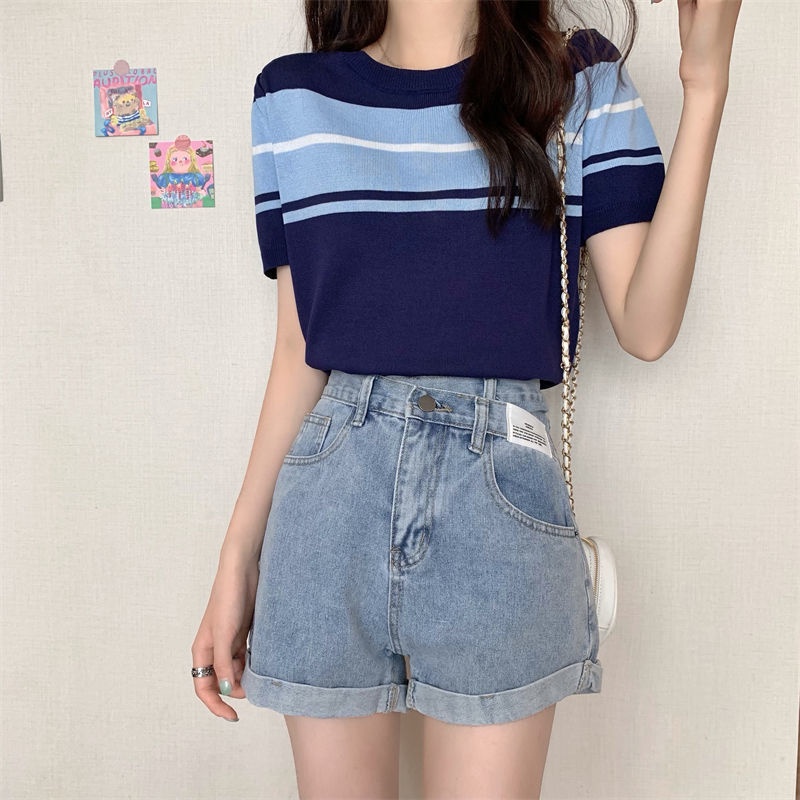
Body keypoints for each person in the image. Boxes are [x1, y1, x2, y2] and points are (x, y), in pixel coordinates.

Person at [191, 0, 741, 796]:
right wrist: (236, 558)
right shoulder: (294, 97)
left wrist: (706, 86)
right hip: (327, 511)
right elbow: (296, 350)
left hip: (500, 505)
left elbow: (647, 327)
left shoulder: (578, 79)